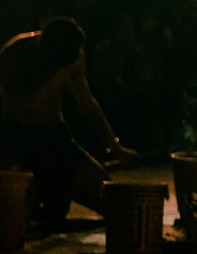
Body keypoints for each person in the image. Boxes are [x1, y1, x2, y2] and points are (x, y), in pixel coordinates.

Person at [0, 16, 138, 221]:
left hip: (55, 134)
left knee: (104, 191)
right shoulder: (14, 54)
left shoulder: (73, 59)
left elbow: (88, 105)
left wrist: (117, 148)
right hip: (17, 136)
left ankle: (58, 188)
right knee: (18, 199)